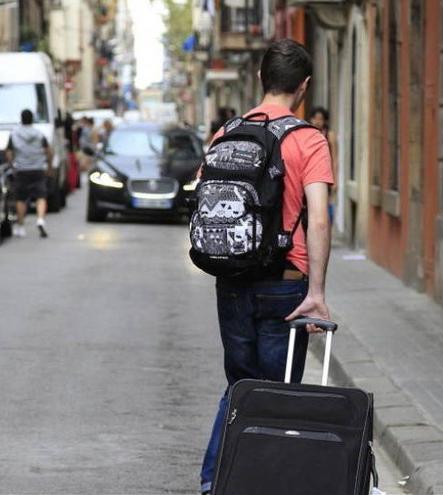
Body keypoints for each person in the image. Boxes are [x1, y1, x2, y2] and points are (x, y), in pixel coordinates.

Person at [198, 39, 334, 495]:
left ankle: (214, 482)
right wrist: (316, 291)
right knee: (278, 396)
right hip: (285, 285)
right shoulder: (309, 140)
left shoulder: (226, 134)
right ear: (305, 87)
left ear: (260, 78)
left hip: (232, 281)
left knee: (240, 388)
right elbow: (318, 218)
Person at [6, 109, 53, 238]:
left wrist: (12, 166)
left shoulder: (14, 134)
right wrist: (49, 166)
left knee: (21, 199)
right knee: (41, 196)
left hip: (22, 170)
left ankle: (21, 226)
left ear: (21, 119)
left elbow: (9, 153)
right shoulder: (39, 134)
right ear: (32, 119)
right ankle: (41, 219)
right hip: (38, 169)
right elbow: (48, 151)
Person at [308, 106, 338, 222]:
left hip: (326, 175)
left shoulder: (330, 135)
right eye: (315, 118)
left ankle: (327, 226)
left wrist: (335, 180)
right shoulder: (308, 134)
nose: (317, 121)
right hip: (311, 173)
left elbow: (334, 158)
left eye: (320, 119)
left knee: (326, 205)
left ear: (325, 121)